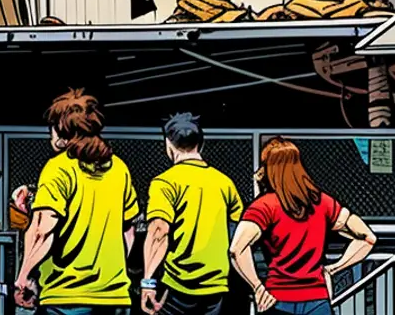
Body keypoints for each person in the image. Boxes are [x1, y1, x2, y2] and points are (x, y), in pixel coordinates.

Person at [14, 89, 139, 314]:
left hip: (66, 296)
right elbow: (128, 231)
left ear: (61, 130)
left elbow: (43, 231)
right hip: (114, 296)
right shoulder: (119, 168)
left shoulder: (58, 168)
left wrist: (24, 275)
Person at [229, 138, 377, 315]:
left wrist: (257, 286)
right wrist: (333, 269)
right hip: (317, 301)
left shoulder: (264, 206)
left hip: (277, 299)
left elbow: (237, 249)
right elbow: (368, 238)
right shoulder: (323, 203)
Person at [141, 114, 243, 315]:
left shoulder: (165, 182)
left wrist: (148, 282)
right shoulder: (225, 183)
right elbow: (238, 233)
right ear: (201, 144)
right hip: (217, 288)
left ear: (168, 144)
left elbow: (159, 232)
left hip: (178, 286)